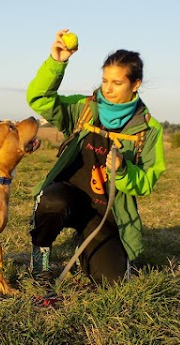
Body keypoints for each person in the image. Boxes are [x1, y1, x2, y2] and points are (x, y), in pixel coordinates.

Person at [26, 29, 166, 284]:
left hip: (104, 213)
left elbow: (147, 182)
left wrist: (124, 171)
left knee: (113, 281)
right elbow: (40, 99)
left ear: (135, 84)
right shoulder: (84, 109)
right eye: (105, 81)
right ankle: (40, 258)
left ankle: (87, 249)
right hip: (68, 195)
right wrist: (57, 63)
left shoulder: (149, 129)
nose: (108, 89)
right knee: (51, 200)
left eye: (117, 82)